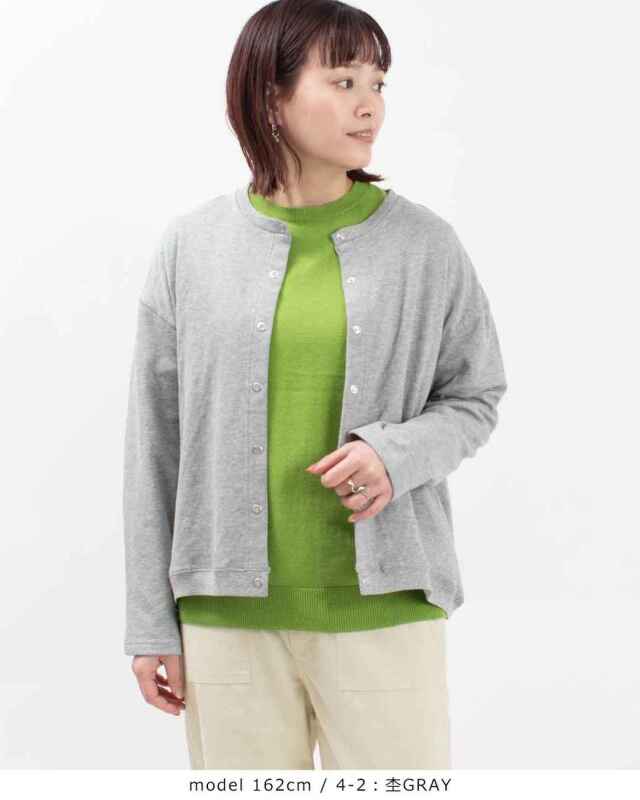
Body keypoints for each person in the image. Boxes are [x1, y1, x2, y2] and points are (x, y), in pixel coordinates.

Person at [123, 0, 508, 770]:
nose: (370, 104)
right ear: (271, 97)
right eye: (342, 80)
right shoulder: (191, 248)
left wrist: (395, 454)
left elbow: (476, 396)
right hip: (225, 620)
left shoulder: (425, 246)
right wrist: (149, 622)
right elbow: (153, 442)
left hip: (385, 611)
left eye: (378, 82)